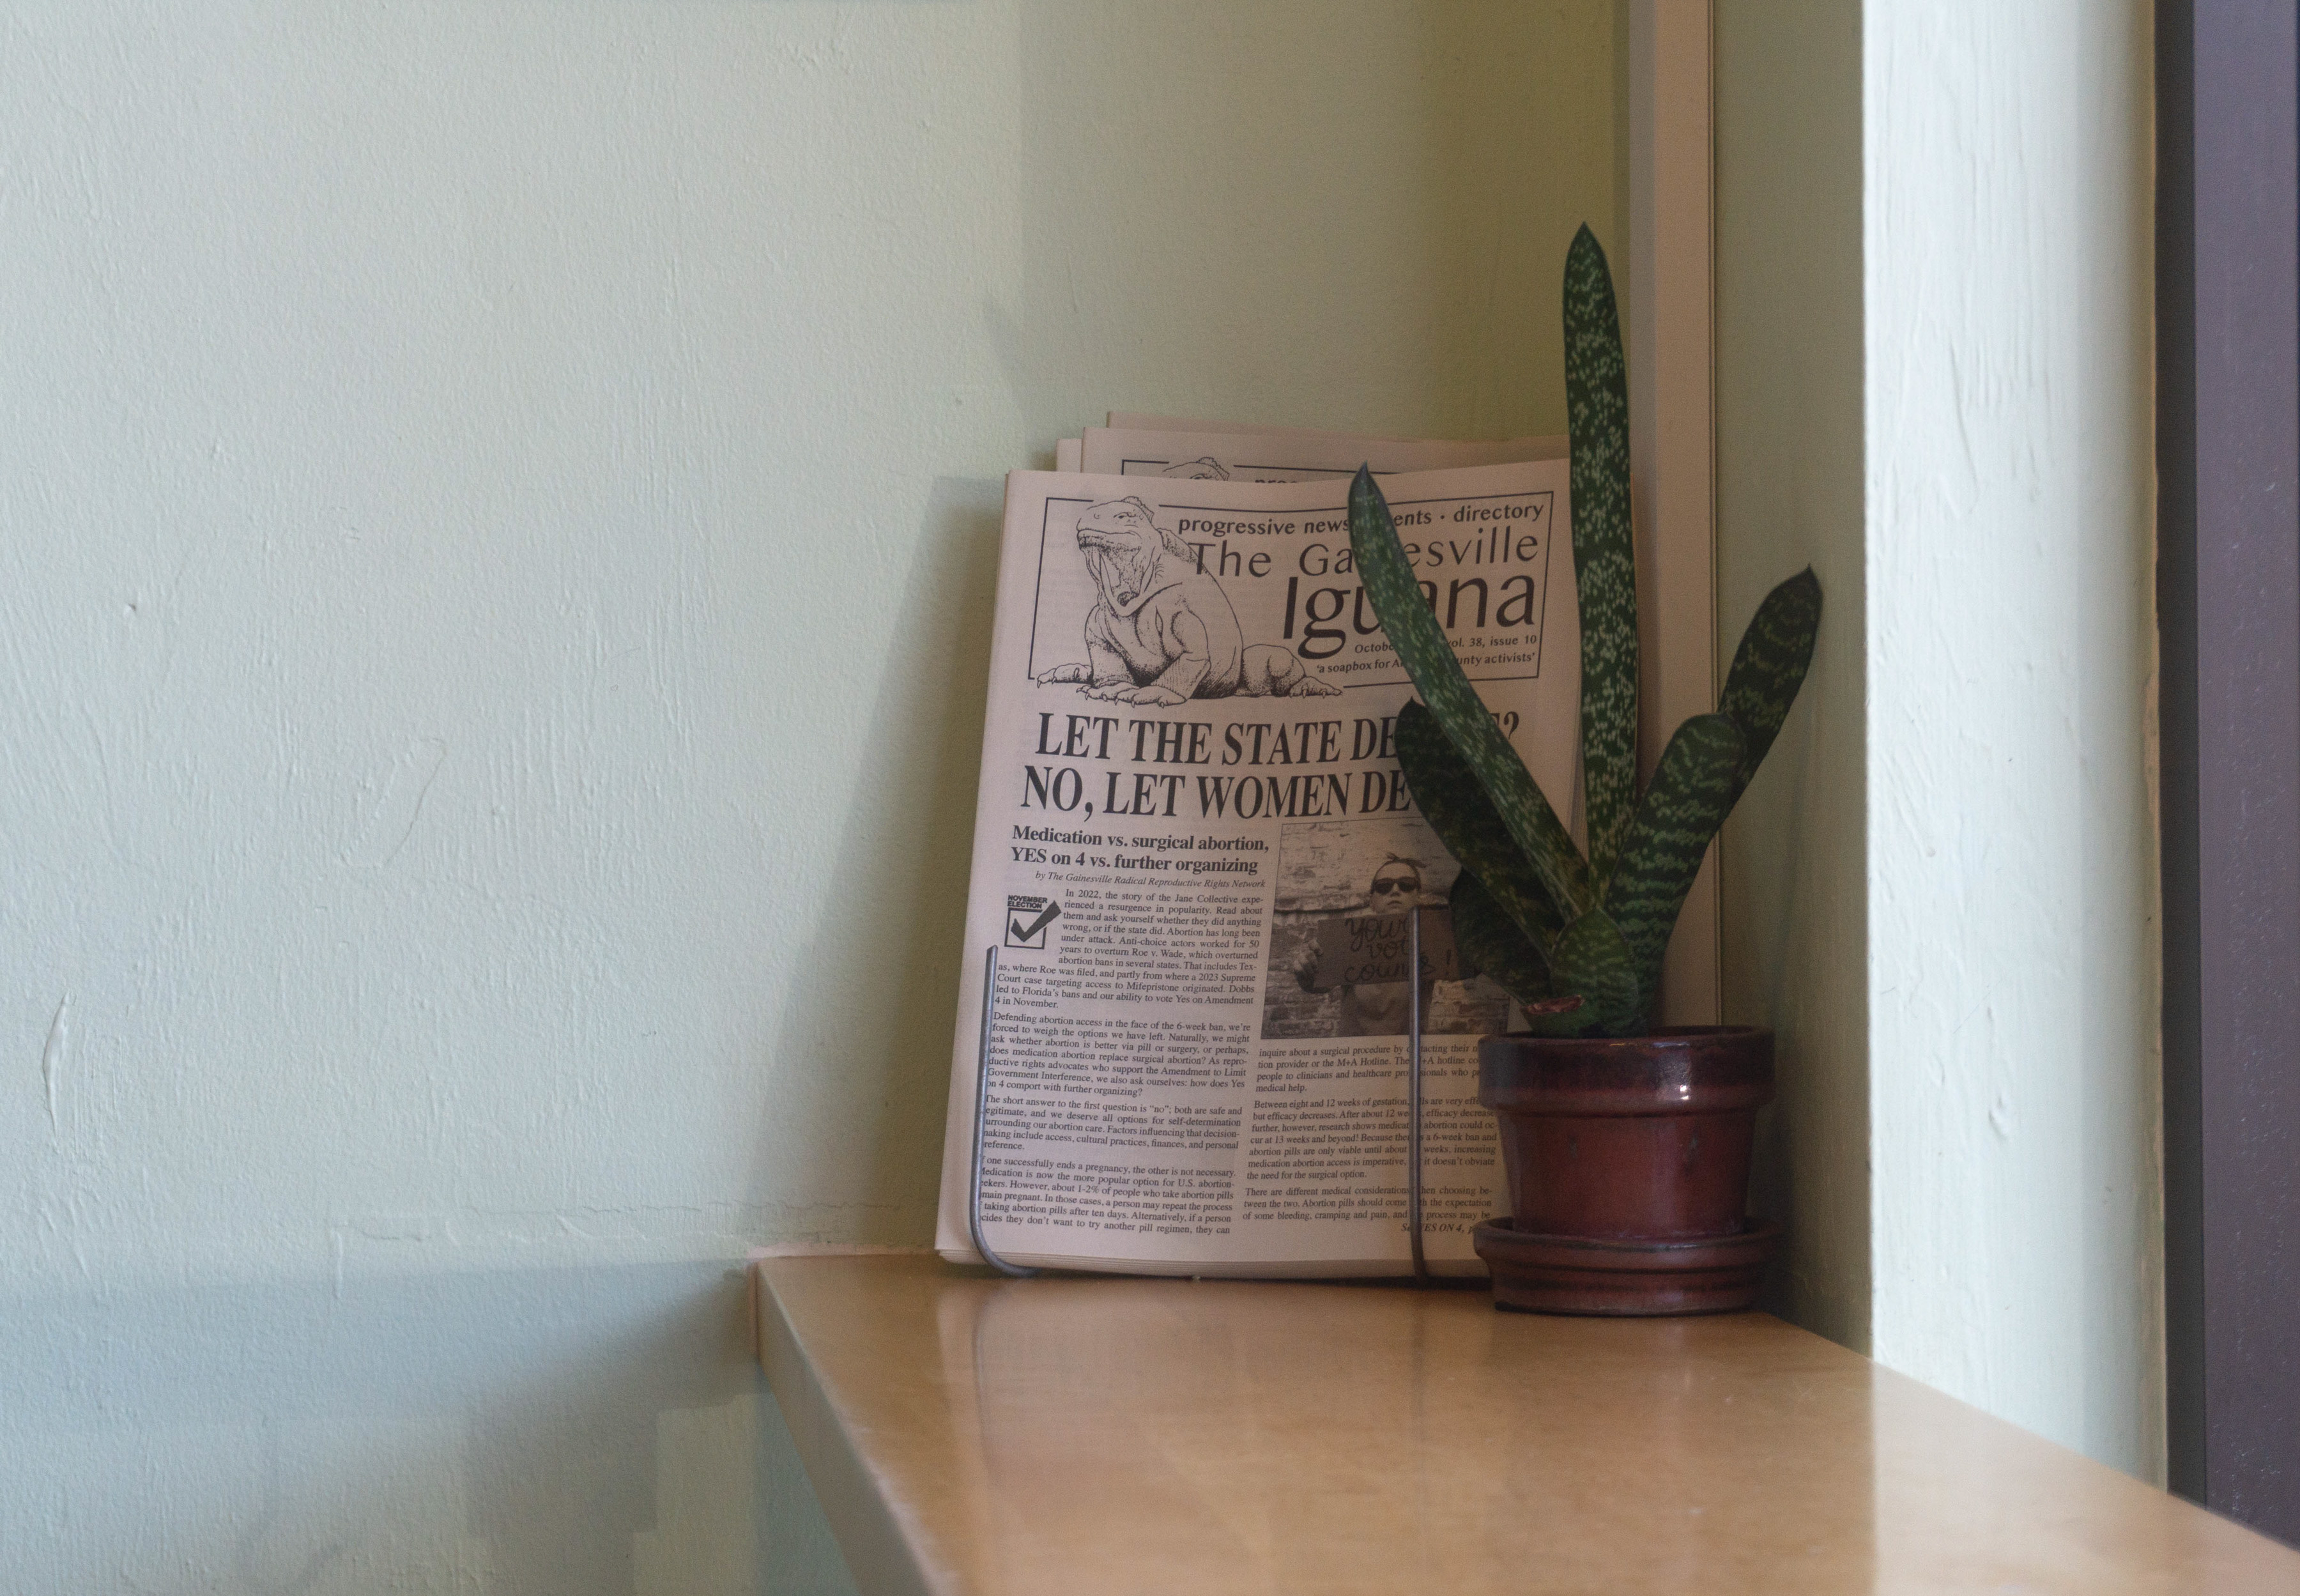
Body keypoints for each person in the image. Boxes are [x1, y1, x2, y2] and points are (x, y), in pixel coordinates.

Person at [1289, 857, 1441, 1036]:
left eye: (1406, 885)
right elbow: (1320, 984)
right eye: (1384, 886)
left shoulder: (1433, 938)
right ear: (1372, 901)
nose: (1395, 891)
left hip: (1407, 1047)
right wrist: (1308, 973)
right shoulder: (1349, 937)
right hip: (1355, 1048)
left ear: (1418, 896)